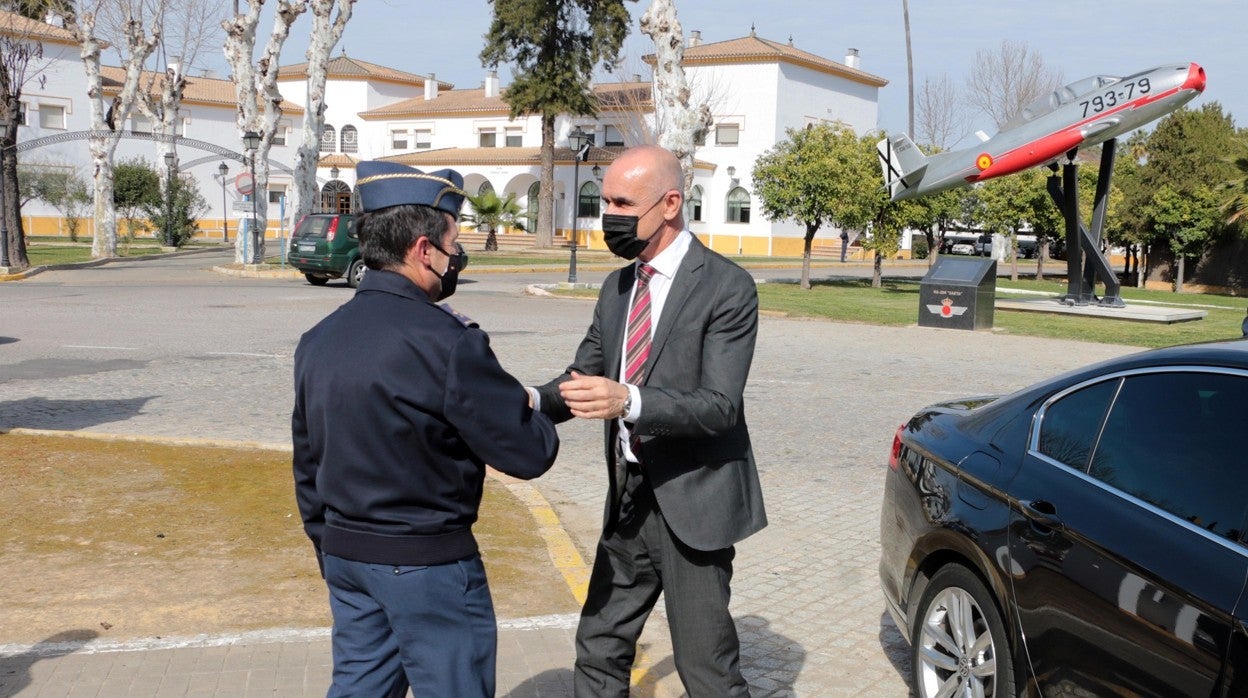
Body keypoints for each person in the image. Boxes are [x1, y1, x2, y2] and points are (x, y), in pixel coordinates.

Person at [293, 161, 559, 698]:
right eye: (453, 244)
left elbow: (307, 461)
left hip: (347, 556)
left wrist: (331, 546)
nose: (456, 257)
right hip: (428, 565)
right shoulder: (448, 341)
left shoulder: (318, 338)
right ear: (423, 249)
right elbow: (528, 452)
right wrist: (545, 407)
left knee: (360, 689)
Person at [530, 145, 767, 697]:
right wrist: (528, 401)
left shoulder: (727, 287)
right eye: (606, 201)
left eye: (622, 203)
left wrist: (629, 401)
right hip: (629, 499)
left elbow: (720, 406)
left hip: (694, 504)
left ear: (670, 204)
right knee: (599, 647)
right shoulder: (618, 287)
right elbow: (582, 377)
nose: (608, 214)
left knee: (706, 671)